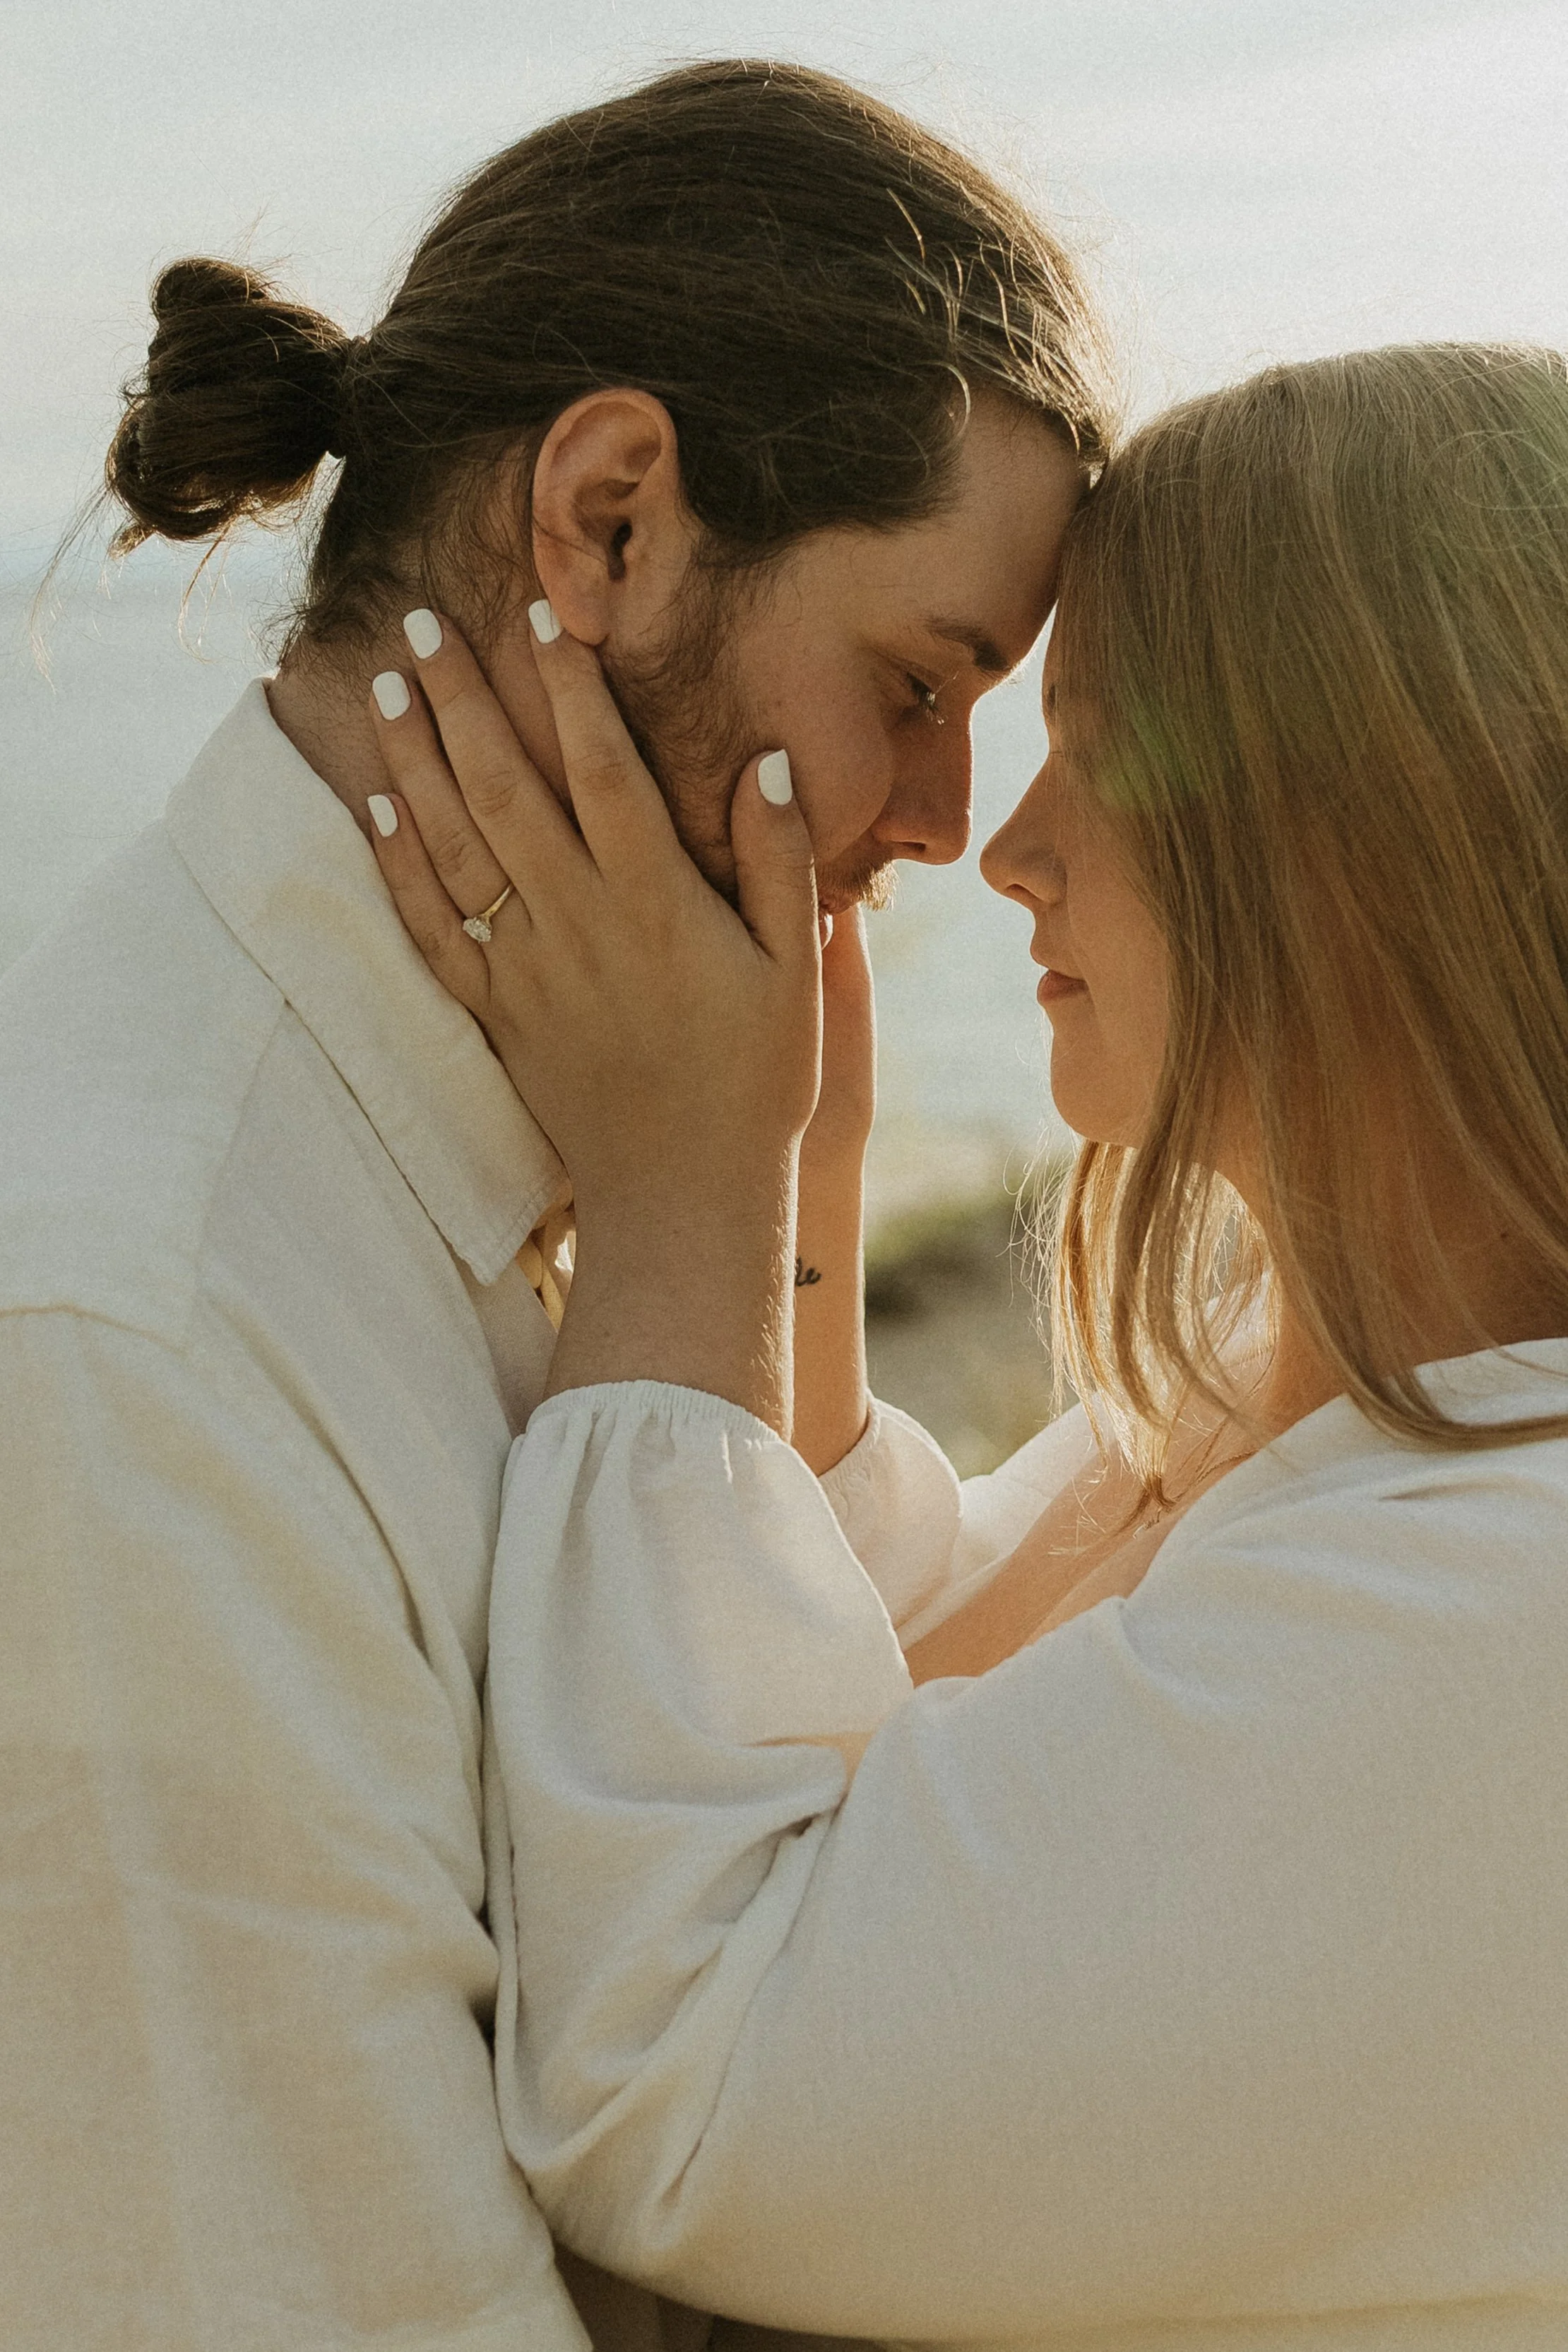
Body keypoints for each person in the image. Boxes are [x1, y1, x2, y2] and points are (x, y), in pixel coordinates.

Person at [0, 61, 1115, 2352]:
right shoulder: (134, 1359)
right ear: (608, 518)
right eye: (917, 683)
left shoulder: (474, 1187)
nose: (941, 820)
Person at [372, 340, 1568, 2351]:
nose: (1005, 849)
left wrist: (676, 1214)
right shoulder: (1303, 1404)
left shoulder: (1509, 1610)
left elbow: (681, 2091)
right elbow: (952, 1732)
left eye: (1103, 743)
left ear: (1367, 842)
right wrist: (792, 1193)